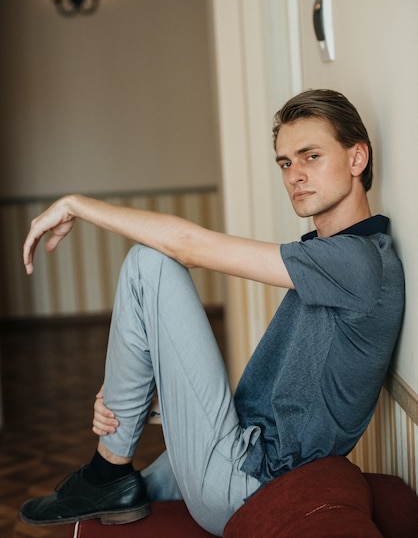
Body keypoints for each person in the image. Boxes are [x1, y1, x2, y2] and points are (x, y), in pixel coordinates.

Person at [19, 89, 404, 536]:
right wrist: (138, 404)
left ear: (357, 159)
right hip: (241, 453)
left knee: (151, 264)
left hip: (248, 480)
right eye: (284, 162)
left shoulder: (359, 263)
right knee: (116, 502)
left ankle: (106, 471)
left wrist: (76, 204)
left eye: (310, 156)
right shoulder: (326, 254)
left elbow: (187, 247)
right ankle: (110, 472)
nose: (295, 175)